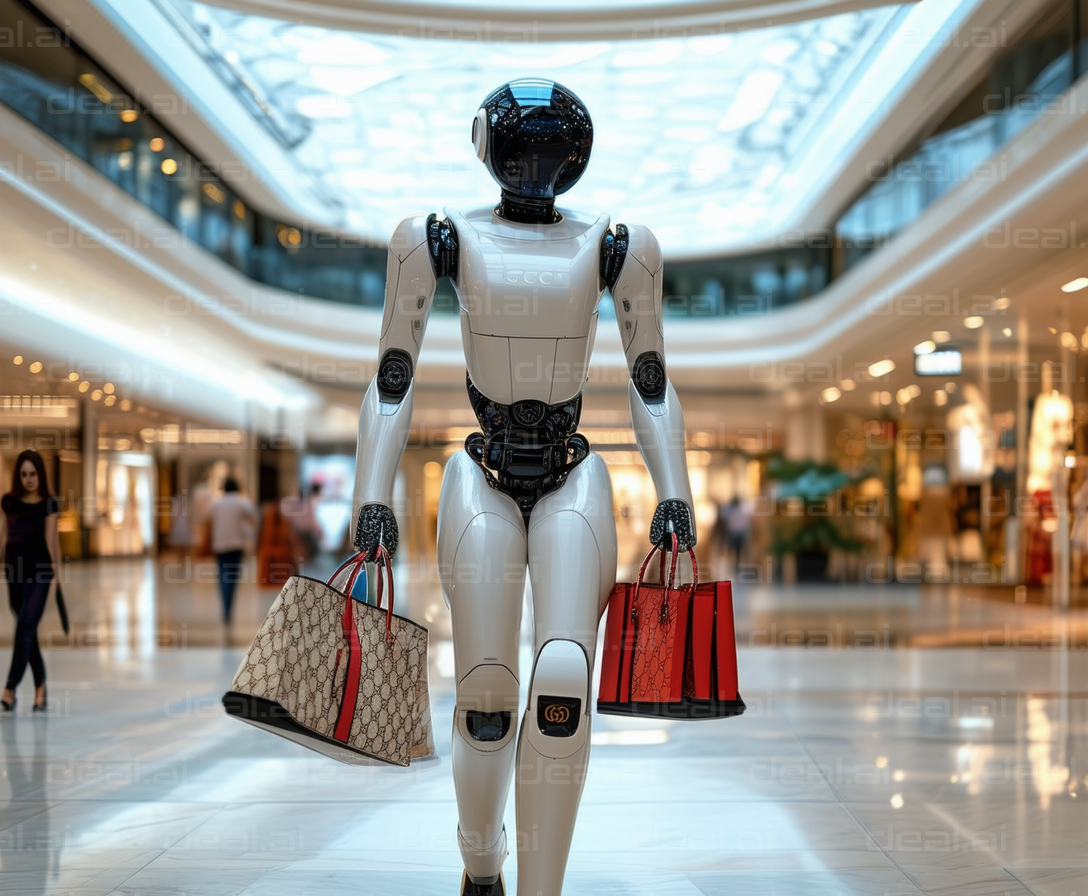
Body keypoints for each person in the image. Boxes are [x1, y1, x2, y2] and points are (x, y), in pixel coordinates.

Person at [350, 80, 696, 896]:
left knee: (565, 682)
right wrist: (372, 495)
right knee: (487, 700)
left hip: (577, 478)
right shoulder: (435, 239)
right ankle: (481, 868)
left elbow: (651, 378)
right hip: (481, 478)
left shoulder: (617, 243)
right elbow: (391, 375)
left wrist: (673, 488)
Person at [1, 449, 60, 713]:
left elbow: (52, 541)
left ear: (40, 474)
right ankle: (40, 686)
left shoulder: (49, 503)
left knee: (25, 629)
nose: (28, 479)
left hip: (40, 571)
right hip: (13, 570)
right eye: (24, 474)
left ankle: (9, 689)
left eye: (33, 474)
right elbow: (4, 535)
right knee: (27, 630)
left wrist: (57, 575)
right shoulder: (9, 502)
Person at [209, 478, 256, 624]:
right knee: (232, 578)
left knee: (222, 576)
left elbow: (206, 518)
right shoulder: (242, 502)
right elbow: (254, 515)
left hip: (220, 545)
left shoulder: (216, 503)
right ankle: (228, 608)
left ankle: (225, 607)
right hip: (236, 545)